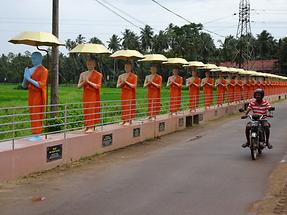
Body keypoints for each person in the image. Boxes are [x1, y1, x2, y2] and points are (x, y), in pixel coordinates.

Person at [22, 52, 48, 141]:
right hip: (31, 95)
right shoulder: (29, 70)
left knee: (37, 113)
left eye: (35, 58)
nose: (33, 60)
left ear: (41, 59)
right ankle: (34, 133)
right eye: (32, 58)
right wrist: (25, 77)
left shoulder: (44, 70)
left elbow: (41, 85)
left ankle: (37, 133)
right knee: (32, 113)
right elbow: (24, 85)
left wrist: (29, 78)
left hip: (38, 96)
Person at [78, 59, 102, 132]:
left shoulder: (98, 74)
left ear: (94, 65)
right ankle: (86, 125)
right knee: (86, 110)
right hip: (86, 95)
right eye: (88, 64)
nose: (89, 65)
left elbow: (98, 86)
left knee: (92, 110)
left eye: (91, 64)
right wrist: (84, 83)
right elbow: (78, 86)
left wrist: (89, 82)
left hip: (93, 95)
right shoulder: (83, 74)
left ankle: (91, 126)